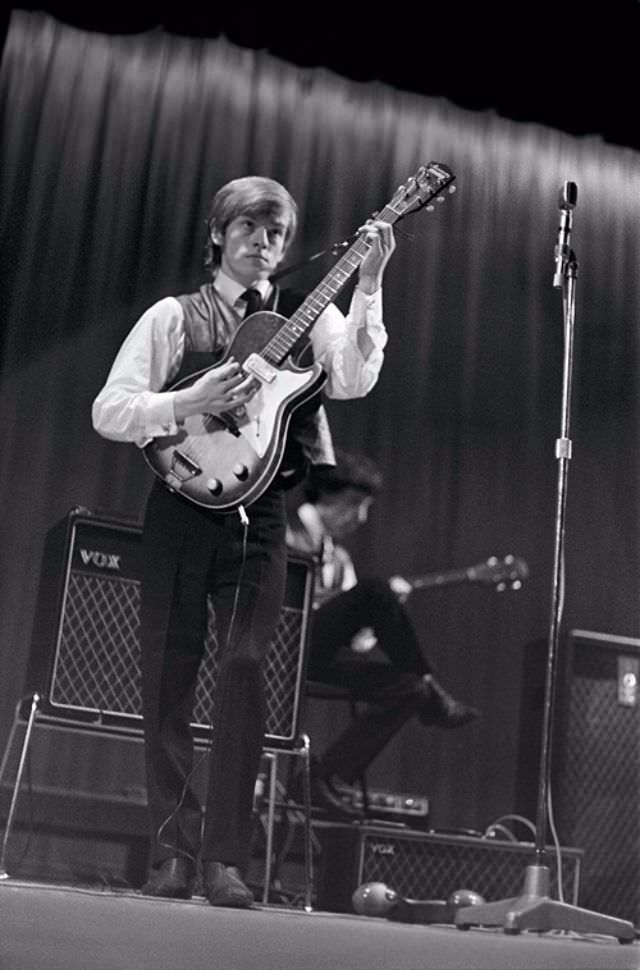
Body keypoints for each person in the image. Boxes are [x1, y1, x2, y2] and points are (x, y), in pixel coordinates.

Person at [91, 175, 396, 906]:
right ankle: (172, 854)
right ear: (220, 235)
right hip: (177, 507)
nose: (266, 244)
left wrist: (373, 281)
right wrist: (185, 400)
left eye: (278, 235)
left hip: (260, 516)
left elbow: (352, 377)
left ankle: (224, 859)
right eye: (252, 229)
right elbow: (111, 408)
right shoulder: (174, 315)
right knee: (168, 675)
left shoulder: (304, 317)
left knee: (245, 667)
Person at [286, 449, 480, 819]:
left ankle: (321, 776)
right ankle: (433, 688)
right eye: (354, 504)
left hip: (317, 660)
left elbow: (358, 643)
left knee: (410, 688)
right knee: (376, 591)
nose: (360, 518)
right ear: (326, 497)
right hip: (285, 648)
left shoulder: (340, 560)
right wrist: (374, 600)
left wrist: (380, 613)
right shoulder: (285, 530)